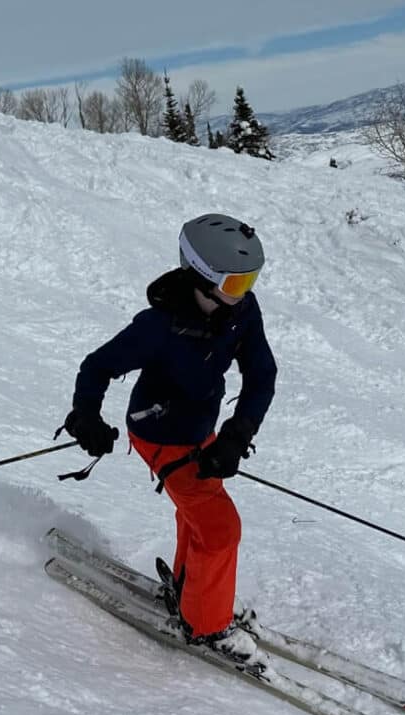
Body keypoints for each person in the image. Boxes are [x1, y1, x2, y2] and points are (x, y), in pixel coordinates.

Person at [62, 213, 277, 662]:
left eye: (250, 282)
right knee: (221, 530)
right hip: (159, 432)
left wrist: (237, 436)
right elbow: (97, 366)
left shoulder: (240, 313)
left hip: (204, 431)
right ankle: (206, 625)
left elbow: (262, 374)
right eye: (236, 284)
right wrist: (86, 416)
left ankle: (192, 590)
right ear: (202, 276)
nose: (244, 294)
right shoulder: (158, 326)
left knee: (201, 515)